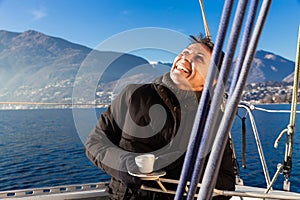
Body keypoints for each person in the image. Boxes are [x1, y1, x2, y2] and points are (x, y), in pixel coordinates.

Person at [85, 34, 235, 200]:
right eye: (185, 52)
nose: (184, 57)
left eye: (199, 57)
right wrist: (124, 164)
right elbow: (94, 143)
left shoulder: (214, 119)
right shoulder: (134, 95)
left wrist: (182, 172)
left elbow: (226, 183)